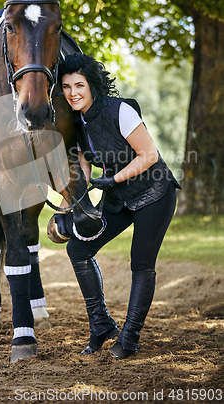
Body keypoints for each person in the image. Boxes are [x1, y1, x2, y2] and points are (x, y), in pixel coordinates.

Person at [55, 53, 181, 360]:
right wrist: (63, 211)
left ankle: (129, 337)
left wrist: (114, 179)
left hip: (155, 193)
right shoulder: (76, 122)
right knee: (78, 250)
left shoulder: (120, 110)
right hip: (119, 197)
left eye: (79, 85)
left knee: (140, 263)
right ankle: (101, 324)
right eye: (67, 86)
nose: (73, 93)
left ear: (92, 86)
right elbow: (83, 171)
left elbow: (149, 154)